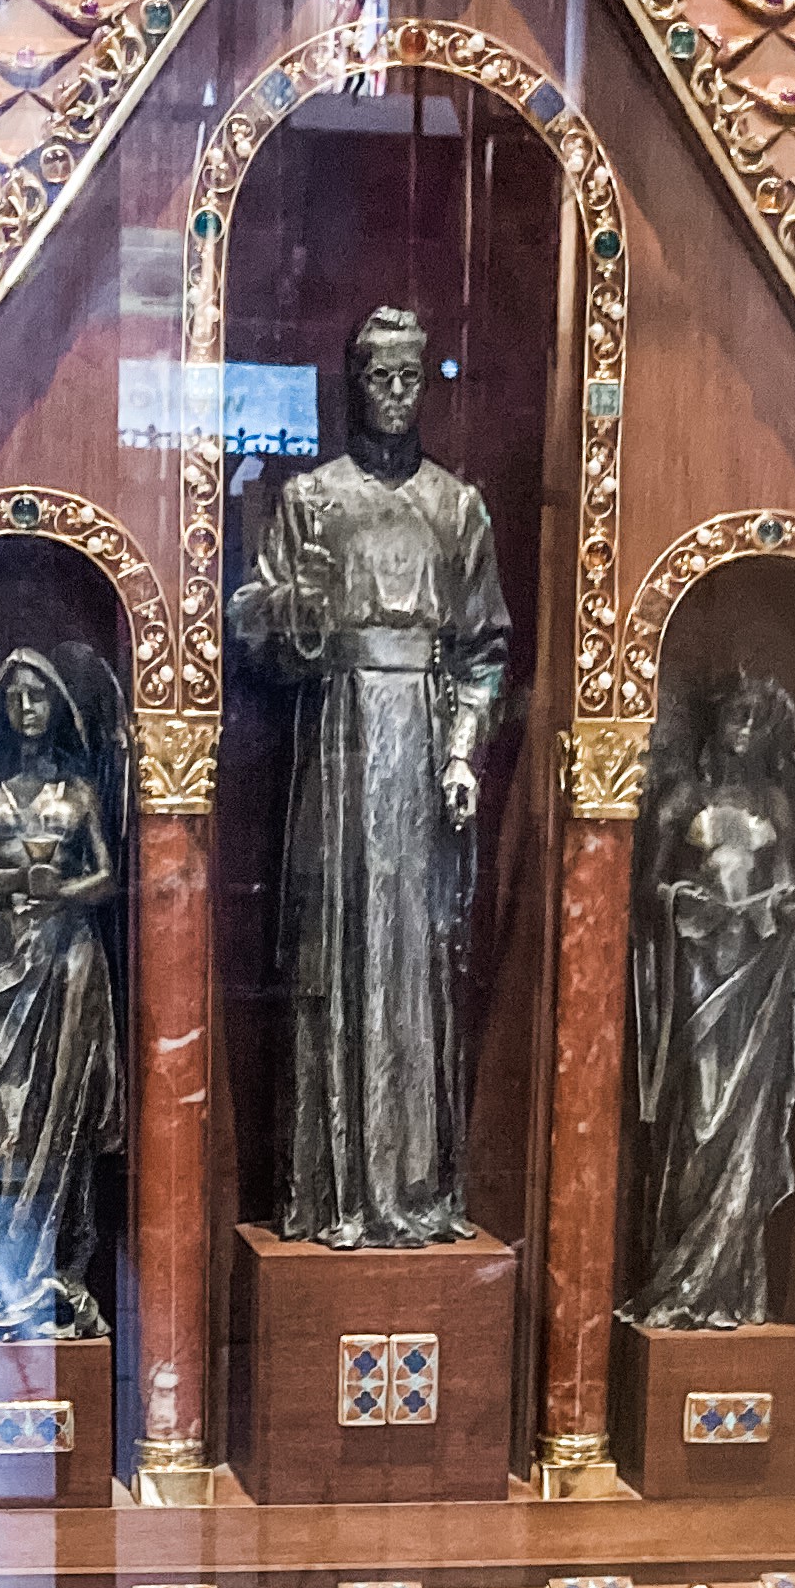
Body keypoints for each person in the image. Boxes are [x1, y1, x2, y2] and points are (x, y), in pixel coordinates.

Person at [230, 304, 511, 1248]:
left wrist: (465, 751)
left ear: (425, 382)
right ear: (354, 384)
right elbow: (253, 624)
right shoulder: (312, 501)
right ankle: (339, 1191)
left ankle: (413, 1187)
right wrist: (299, 610)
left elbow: (484, 650)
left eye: (409, 376)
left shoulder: (455, 505)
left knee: (414, 958)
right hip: (343, 746)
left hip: (423, 749)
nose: (394, 392)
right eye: (377, 376)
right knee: (341, 953)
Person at [0, 652, 124, 1340]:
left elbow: (106, 876)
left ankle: (58, 1277)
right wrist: (19, 879)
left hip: (68, 968)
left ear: (57, 709)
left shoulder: (77, 791)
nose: (26, 709)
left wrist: (62, 891)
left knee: (60, 1118)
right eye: (15, 698)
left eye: (38, 698)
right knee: (1, 1121)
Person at [622, 670, 795, 1329]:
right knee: (698, 1120)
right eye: (737, 714)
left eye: (758, 719)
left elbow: (789, 888)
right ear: (716, 719)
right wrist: (683, 900)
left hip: (756, 984)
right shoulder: (684, 798)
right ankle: (676, 1276)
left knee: (745, 1135)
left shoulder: (775, 805)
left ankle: (728, 1286)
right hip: (697, 973)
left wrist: (788, 905)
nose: (744, 728)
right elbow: (647, 891)